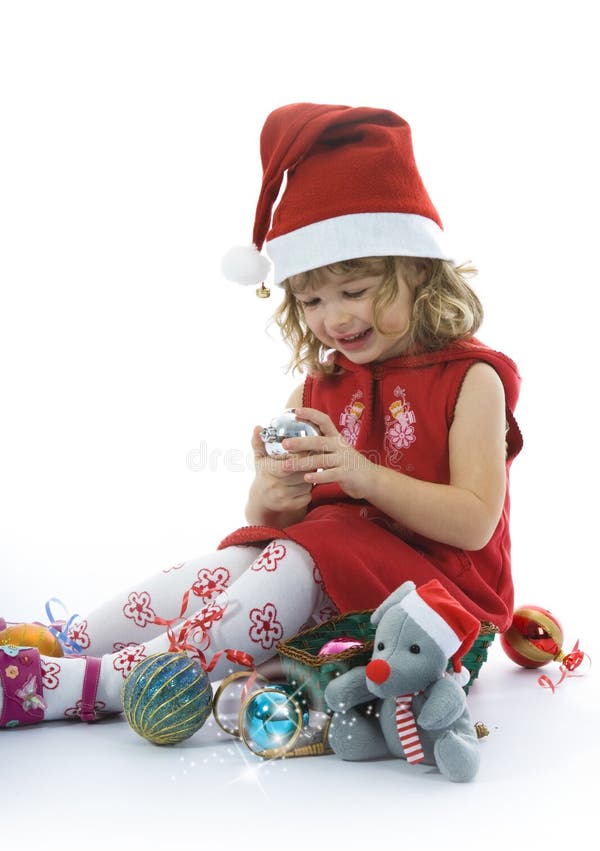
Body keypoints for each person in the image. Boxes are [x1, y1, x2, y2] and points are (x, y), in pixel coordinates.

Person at [0, 102, 522, 729]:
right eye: (311, 300)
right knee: (238, 562)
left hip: (437, 601)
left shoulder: (471, 377)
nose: (332, 318)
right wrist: (274, 490)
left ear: (417, 272)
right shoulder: (322, 383)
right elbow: (273, 524)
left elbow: (473, 523)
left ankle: (85, 687)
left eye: (354, 292)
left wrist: (363, 477)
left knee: (296, 556)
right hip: (331, 569)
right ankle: (65, 641)